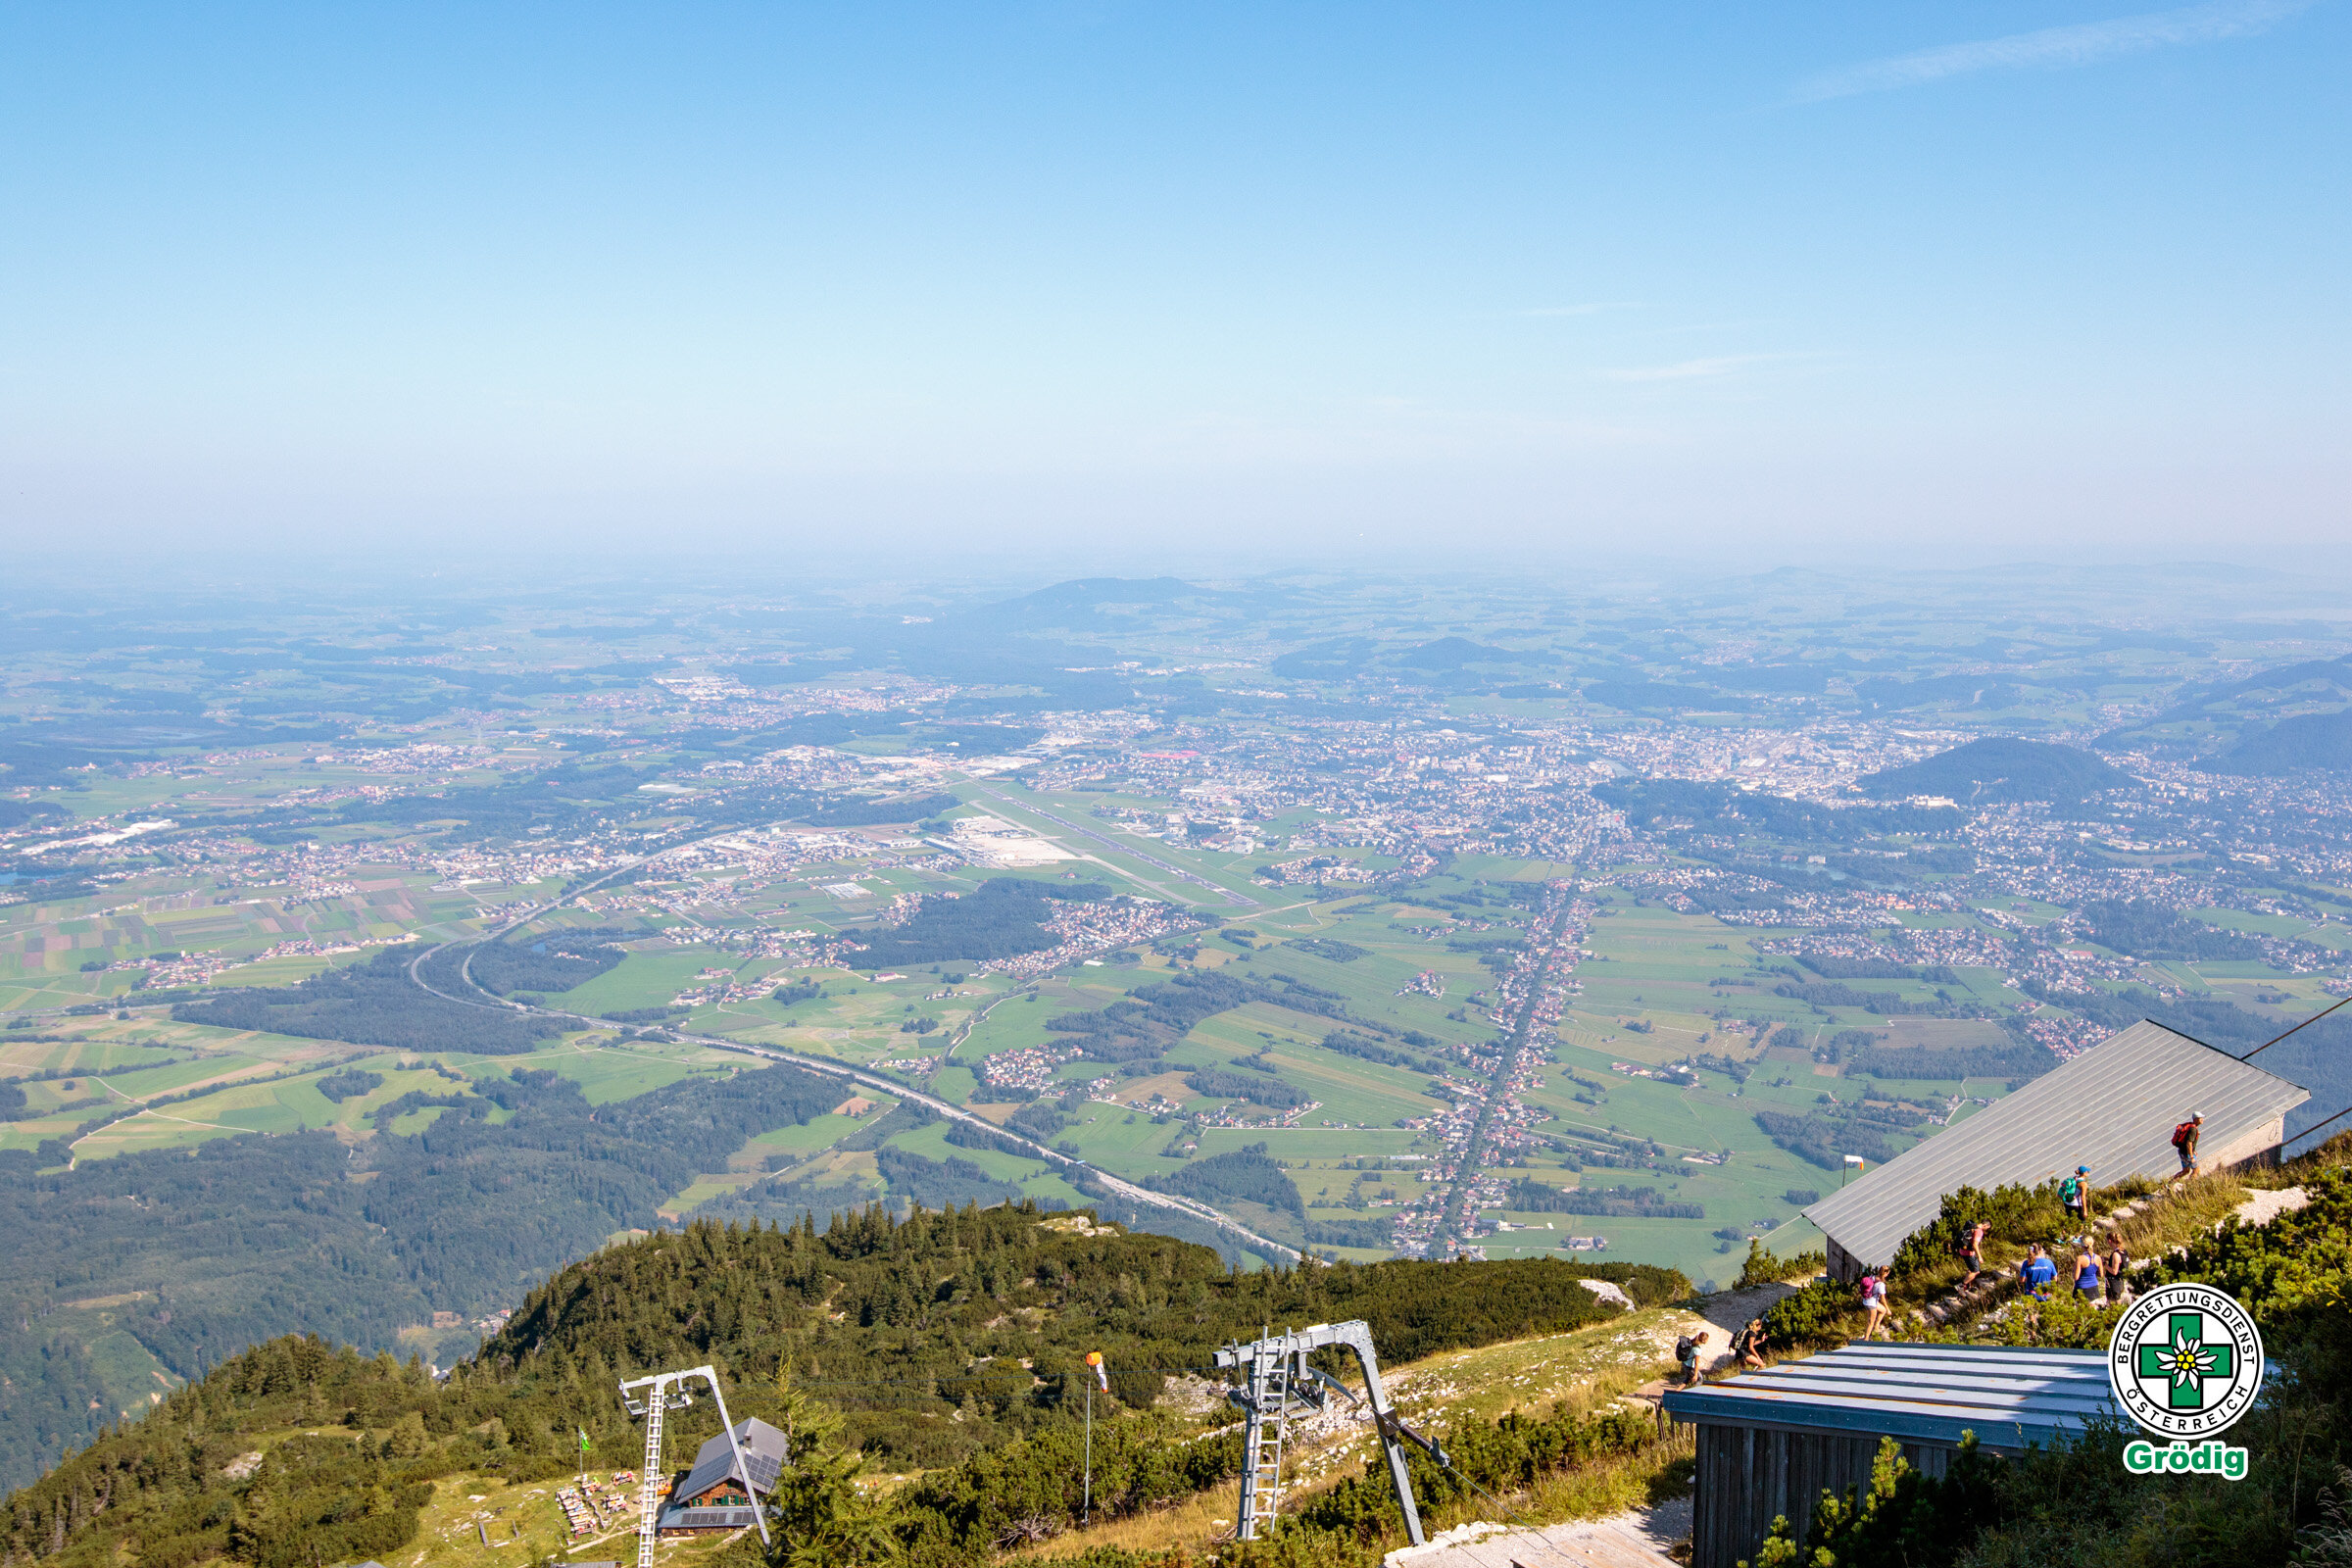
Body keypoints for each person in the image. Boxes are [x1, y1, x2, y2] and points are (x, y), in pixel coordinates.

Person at [2171, 1111, 2204, 1181]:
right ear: (2195, 1119)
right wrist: (2191, 1157)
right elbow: (2189, 1143)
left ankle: (2170, 1183)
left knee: (2185, 1171)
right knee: (2196, 1170)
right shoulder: (2193, 1129)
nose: (2202, 1119)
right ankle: (2190, 1184)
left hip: (2183, 1152)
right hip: (2187, 1154)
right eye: (2200, 1118)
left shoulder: (2191, 1126)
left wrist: (2193, 1150)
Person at [1958, 1219, 1990, 1288]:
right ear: (1985, 1225)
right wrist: (1979, 1256)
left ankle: (1968, 1286)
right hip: (1969, 1253)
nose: (1986, 1230)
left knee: (1970, 1269)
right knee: (1976, 1271)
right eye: (1987, 1228)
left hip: (1963, 1250)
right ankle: (1961, 1285)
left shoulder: (1973, 1227)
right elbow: (1975, 1244)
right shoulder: (1979, 1231)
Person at [1860, 1270, 1891, 1340]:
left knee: (1883, 1310)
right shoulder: (1881, 1284)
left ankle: (1876, 1327)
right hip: (1872, 1304)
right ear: (1885, 1274)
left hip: (1866, 1300)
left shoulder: (1872, 1277)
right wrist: (1888, 1309)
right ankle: (1866, 1338)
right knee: (1871, 1322)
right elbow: (1883, 1299)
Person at [2102, 1231, 2132, 1305]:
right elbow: (2119, 1262)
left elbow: (2114, 1271)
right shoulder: (2123, 1251)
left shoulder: (2115, 1254)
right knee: (2118, 1299)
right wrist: (2109, 1259)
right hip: (2120, 1280)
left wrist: (2105, 1264)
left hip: (2114, 1281)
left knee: (2114, 1302)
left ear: (2110, 1241)